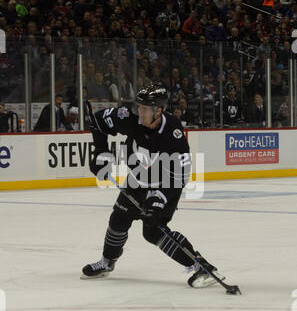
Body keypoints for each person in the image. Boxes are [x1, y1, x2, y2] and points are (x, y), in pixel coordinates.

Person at [81, 84, 224, 288]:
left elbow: (180, 174)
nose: (140, 112)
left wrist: (159, 199)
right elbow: (97, 122)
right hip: (138, 179)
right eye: (138, 107)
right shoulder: (129, 118)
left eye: (145, 109)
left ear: (158, 110)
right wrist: (101, 153)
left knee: (153, 231)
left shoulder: (173, 131)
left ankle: (202, 267)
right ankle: (107, 262)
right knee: (118, 219)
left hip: (166, 183)